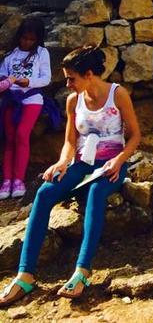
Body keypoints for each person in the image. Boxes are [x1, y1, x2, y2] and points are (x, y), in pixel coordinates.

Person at [0, 45, 141, 306]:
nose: (67, 83)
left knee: (96, 193)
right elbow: (69, 140)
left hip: (111, 164)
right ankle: (25, 275)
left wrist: (119, 160)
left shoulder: (117, 95)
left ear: (89, 74)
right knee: (44, 193)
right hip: (81, 164)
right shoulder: (72, 101)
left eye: (71, 78)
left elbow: (135, 135)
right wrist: (62, 162)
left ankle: (82, 271)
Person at [0, 21, 51, 199]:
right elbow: (3, 77)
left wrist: (28, 82)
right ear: (19, 36)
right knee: (10, 138)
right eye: (24, 38)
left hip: (32, 98)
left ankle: (19, 179)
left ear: (37, 40)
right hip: (11, 100)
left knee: (22, 134)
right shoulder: (10, 56)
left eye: (31, 39)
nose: (27, 42)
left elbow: (46, 78)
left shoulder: (42, 53)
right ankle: (7, 180)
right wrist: (8, 81)